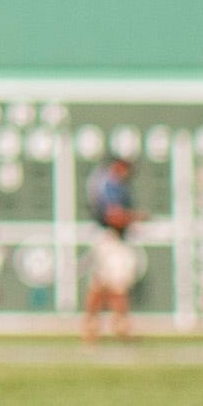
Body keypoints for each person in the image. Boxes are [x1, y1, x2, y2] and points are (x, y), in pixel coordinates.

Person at [86, 145, 145, 344]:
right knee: (116, 284)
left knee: (100, 284)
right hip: (110, 238)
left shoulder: (112, 183)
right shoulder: (110, 184)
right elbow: (114, 216)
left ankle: (92, 328)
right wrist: (136, 217)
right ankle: (120, 327)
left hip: (109, 238)